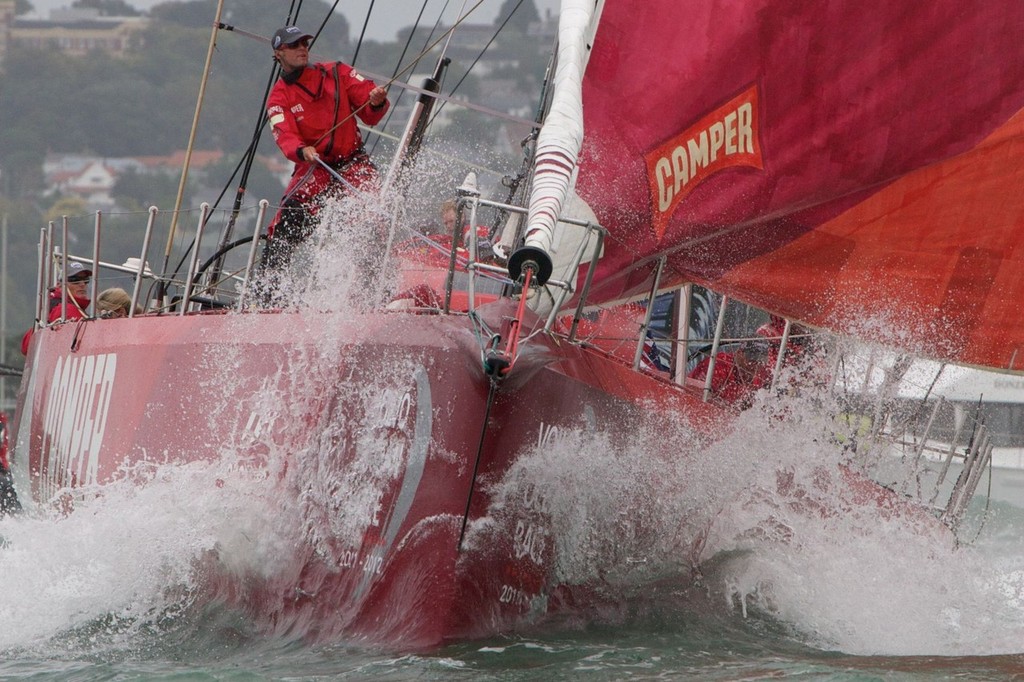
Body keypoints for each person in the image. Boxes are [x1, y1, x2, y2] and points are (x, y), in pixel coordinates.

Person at [262, 25, 390, 276]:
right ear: (279, 52)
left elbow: (370, 111)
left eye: (304, 44)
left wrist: (376, 101)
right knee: (287, 220)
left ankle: (375, 286)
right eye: (294, 45)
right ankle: (267, 293)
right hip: (315, 167)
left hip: (353, 163)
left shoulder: (337, 72)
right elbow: (284, 135)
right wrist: (302, 150)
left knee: (374, 219)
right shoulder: (278, 98)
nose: (302, 49)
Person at [20, 261, 92, 355]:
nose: (82, 284)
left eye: (86, 280)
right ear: (59, 285)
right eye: (75, 280)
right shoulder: (65, 309)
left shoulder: (52, 305)